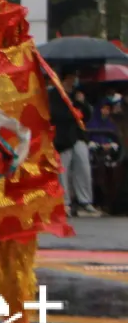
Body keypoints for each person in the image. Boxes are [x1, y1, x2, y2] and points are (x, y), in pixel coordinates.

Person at [52, 69, 100, 217]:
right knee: (63, 171)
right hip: (62, 138)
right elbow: (54, 114)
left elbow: (87, 115)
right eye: (72, 77)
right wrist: (72, 112)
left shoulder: (77, 94)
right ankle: (64, 202)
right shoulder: (54, 94)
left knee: (84, 167)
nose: (74, 81)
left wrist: (82, 102)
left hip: (78, 135)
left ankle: (84, 201)